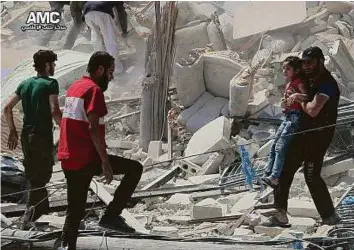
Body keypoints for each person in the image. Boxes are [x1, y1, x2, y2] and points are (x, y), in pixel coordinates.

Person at [57, 51, 143, 250]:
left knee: (75, 210)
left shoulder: (75, 87)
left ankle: (67, 245)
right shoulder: (93, 90)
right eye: (110, 72)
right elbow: (93, 128)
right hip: (85, 157)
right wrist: (105, 163)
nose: (111, 77)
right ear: (100, 69)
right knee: (135, 169)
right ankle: (111, 216)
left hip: (69, 157)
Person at [265, 46, 341, 227]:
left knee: (311, 175)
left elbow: (313, 110)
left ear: (320, 61)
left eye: (310, 62)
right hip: (302, 132)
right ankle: (280, 214)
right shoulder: (308, 79)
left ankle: (330, 217)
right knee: (284, 169)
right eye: (303, 63)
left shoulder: (327, 83)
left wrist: (300, 99)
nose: (305, 66)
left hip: (319, 135)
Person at [3, 50, 62, 228]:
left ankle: (40, 214)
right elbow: (54, 110)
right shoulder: (51, 83)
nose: (54, 67)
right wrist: (65, 128)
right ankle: (31, 216)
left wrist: (13, 131)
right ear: (47, 65)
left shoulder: (25, 84)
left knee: (34, 176)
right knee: (42, 176)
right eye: (53, 64)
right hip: (41, 136)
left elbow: (7, 108)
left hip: (26, 137)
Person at [262, 56, 308, 187]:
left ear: (297, 70)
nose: (285, 71)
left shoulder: (299, 82)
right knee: (274, 145)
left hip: (295, 118)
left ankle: (275, 177)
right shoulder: (289, 84)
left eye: (288, 68)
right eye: (283, 68)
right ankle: (267, 173)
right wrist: (284, 102)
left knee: (280, 147)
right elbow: (285, 102)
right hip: (287, 116)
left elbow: (309, 96)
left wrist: (296, 95)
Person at [82, 1, 128, 75]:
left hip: (87, 12)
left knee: (96, 40)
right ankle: (116, 69)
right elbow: (121, 12)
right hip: (102, 12)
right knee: (110, 41)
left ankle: (99, 66)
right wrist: (124, 30)